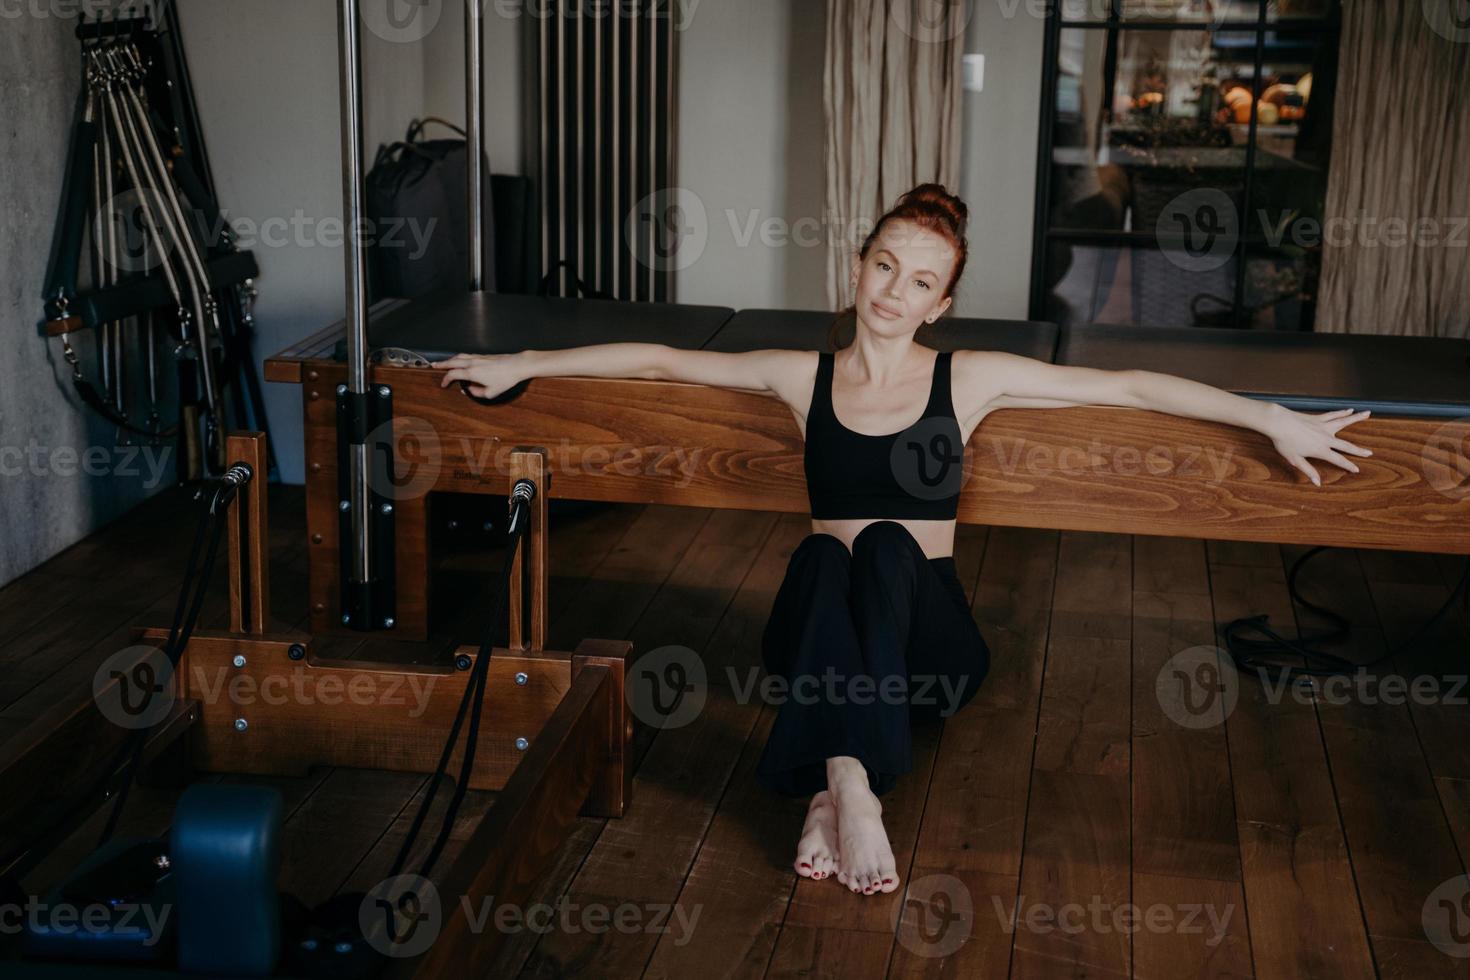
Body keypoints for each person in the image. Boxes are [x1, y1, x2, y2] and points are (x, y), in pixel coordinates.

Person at [432, 183, 1372, 897]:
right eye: (885, 264)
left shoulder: (970, 381)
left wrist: (1272, 418)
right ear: (858, 265)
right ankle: (852, 787)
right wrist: (522, 361)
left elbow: (1127, 386)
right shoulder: (802, 378)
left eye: (920, 280)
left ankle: (830, 783)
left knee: (884, 546)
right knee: (818, 556)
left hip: (932, 653)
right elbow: (661, 358)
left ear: (940, 304)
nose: (895, 289)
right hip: (823, 635)